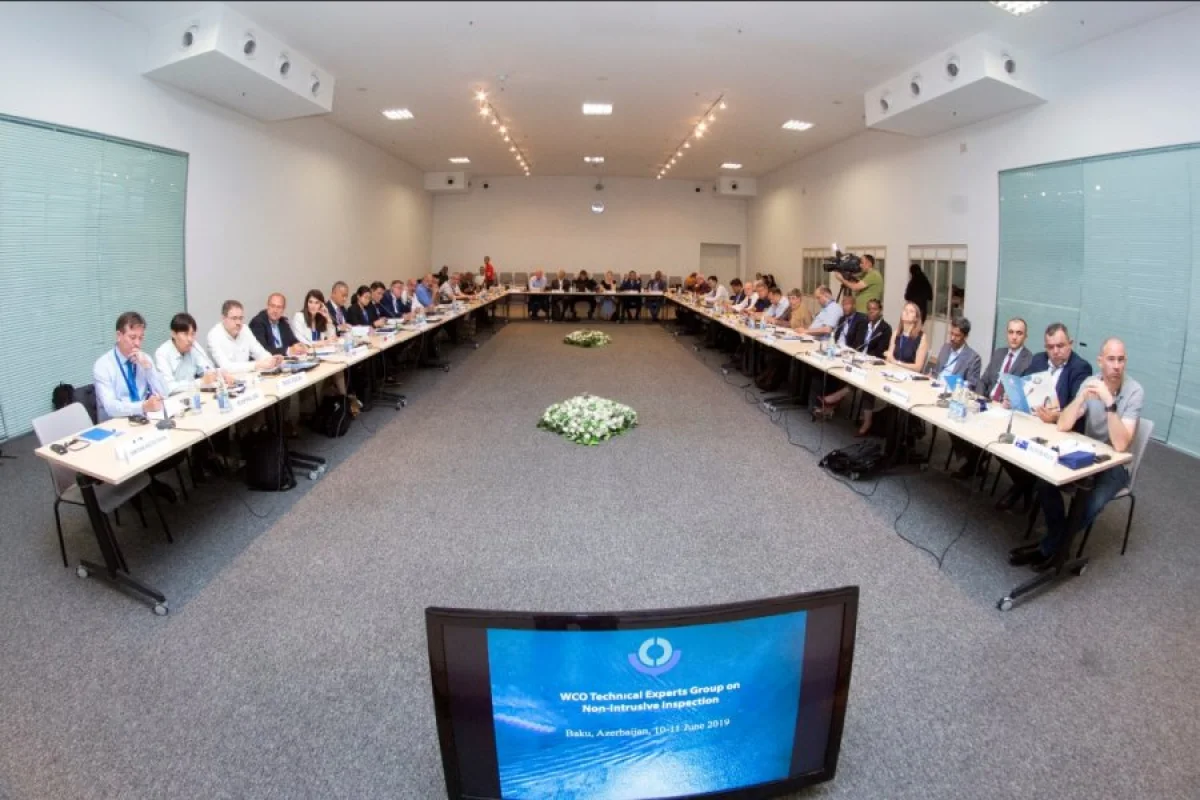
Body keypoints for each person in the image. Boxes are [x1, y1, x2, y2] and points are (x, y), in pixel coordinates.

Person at [1009, 338, 1143, 572]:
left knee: (1091, 503)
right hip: (1086, 455)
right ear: (1100, 361)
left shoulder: (1134, 391)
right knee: (1045, 481)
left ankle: (1049, 548)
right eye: (1111, 359)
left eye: (1121, 360)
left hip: (1116, 465)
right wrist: (1081, 398)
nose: (1116, 366)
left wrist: (1109, 403)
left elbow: (1121, 445)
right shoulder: (1091, 382)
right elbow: (1063, 424)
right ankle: (1056, 544)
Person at [995, 323, 1093, 511]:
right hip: (1034, 422)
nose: (1055, 351)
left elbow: (1076, 408)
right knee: (999, 441)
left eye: (1060, 346)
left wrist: (1056, 417)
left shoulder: (1080, 368)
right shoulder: (1039, 360)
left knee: (1028, 452)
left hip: (1060, 431)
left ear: (1070, 343)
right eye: (1050, 347)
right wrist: (1012, 397)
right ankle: (1024, 483)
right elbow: (1023, 387)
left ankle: (1024, 486)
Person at [949, 317, 1032, 479]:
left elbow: (1024, 394)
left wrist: (1006, 402)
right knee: (954, 419)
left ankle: (974, 461)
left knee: (984, 427)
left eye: (1019, 333)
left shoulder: (1029, 360)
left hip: (1005, 410)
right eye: (1011, 332)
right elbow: (984, 380)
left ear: (1025, 336)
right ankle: (974, 458)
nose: (1014, 337)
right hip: (987, 402)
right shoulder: (999, 353)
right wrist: (979, 398)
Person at [855, 301, 928, 437]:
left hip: (909, 378)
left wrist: (896, 362)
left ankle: (896, 431)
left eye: (911, 311)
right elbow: (889, 357)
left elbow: (918, 367)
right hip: (892, 373)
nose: (906, 312)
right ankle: (868, 421)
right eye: (905, 310)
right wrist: (891, 362)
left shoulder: (921, 337)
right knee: (868, 381)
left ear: (916, 318)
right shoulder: (896, 333)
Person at [814, 299, 889, 417]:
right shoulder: (865, 324)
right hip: (858, 358)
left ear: (880, 310)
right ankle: (830, 406)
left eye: (874, 309)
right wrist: (852, 353)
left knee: (862, 378)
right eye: (869, 309)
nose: (871, 312)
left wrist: (864, 357)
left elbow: (880, 351)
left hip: (872, 362)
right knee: (838, 369)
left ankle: (834, 401)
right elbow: (858, 343)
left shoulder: (885, 329)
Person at [94, 311, 168, 422]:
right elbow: (110, 407)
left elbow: (164, 394)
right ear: (119, 336)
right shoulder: (103, 365)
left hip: (146, 419)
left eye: (141, 338)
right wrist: (142, 406)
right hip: (117, 422)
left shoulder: (145, 359)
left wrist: (148, 368)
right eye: (132, 337)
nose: (137, 343)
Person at [155, 312, 233, 396]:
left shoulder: (194, 346)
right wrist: (200, 382)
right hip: (173, 400)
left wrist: (220, 374)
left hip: (192, 395)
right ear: (173, 334)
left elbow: (207, 369)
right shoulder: (162, 354)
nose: (190, 339)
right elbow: (169, 388)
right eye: (185, 334)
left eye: (192, 334)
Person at [207, 300, 282, 374]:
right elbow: (226, 367)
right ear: (223, 318)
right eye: (234, 318)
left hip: (247, 376)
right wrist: (256, 365)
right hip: (227, 379)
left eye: (240, 318)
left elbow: (259, 352)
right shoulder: (214, 336)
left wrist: (272, 359)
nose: (238, 322)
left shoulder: (245, 329)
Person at [926, 317, 982, 390]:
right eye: (951, 333)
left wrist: (953, 384)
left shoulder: (973, 358)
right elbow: (935, 372)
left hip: (952, 391)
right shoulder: (945, 348)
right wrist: (930, 376)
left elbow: (971, 385)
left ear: (965, 337)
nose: (952, 338)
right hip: (935, 386)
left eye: (957, 335)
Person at [249, 293, 308, 358]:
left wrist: (300, 346)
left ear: (283, 309)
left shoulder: (283, 322)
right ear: (267, 306)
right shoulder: (258, 322)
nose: (275, 310)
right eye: (272, 306)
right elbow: (262, 350)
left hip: (284, 360)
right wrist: (288, 351)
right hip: (267, 361)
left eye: (279, 307)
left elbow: (293, 341)